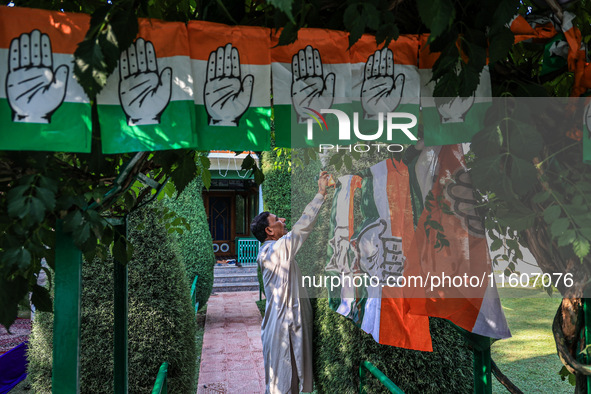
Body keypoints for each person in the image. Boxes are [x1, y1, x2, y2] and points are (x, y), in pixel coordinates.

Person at [250, 171, 330, 394]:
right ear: (269, 230)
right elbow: (301, 228)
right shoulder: (273, 252)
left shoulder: (278, 250)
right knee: (282, 383)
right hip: (280, 326)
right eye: (277, 220)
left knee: (294, 380)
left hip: (290, 321)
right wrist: (320, 194)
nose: (282, 221)